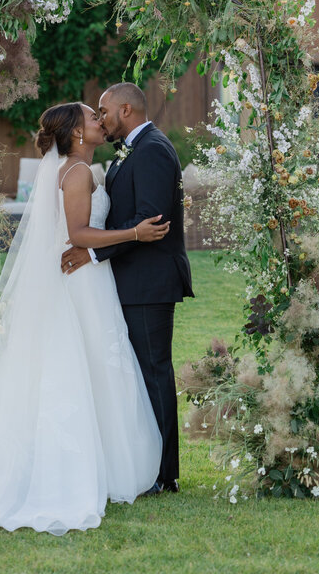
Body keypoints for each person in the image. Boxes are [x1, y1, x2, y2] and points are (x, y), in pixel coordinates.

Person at [0, 101, 167, 551]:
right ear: (76, 133)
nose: (99, 121)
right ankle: (88, 469)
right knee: (88, 367)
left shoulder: (76, 168)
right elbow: (79, 234)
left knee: (93, 366)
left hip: (85, 276)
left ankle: (99, 464)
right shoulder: (78, 173)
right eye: (91, 118)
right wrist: (134, 234)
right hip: (82, 281)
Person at [61, 83, 194, 494]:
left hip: (150, 280)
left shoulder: (153, 149)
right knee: (139, 374)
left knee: (154, 373)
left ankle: (163, 474)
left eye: (103, 111)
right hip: (129, 279)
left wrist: (93, 254)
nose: (100, 118)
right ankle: (143, 462)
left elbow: (148, 223)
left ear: (125, 109)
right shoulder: (130, 150)